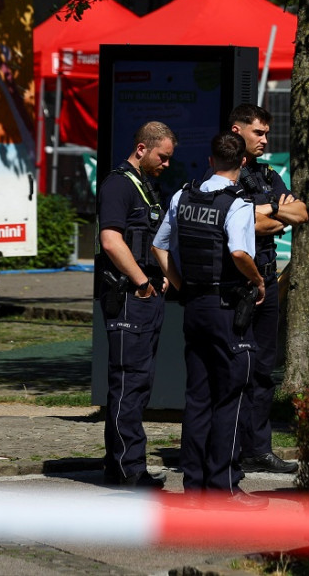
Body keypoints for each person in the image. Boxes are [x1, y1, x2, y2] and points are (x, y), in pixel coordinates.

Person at [152, 132, 267, 509]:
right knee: (231, 397)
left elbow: (159, 245)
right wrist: (257, 279)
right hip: (226, 308)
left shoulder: (182, 195)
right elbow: (238, 251)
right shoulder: (237, 203)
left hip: (196, 307)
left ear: (210, 159)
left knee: (197, 398)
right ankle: (225, 487)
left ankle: (195, 485)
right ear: (243, 163)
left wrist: (184, 287)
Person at [94, 120, 176, 488]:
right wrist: (142, 282)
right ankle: (129, 470)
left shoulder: (146, 186)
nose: (167, 164)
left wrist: (157, 278)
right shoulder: (118, 184)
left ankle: (120, 465)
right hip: (128, 297)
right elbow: (111, 240)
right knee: (128, 383)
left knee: (138, 384)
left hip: (143, 297)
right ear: (142, 149)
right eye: (163, 156)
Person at [227, 103, 307, 475]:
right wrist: (275, 214)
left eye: (266, 132)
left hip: (268, 279)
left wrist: (266, 211)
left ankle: (258, 448)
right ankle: (229, 446)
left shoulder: (268, 175)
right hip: (236, 282)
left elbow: (302, 213)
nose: (265, 139)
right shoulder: (228, 173)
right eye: (258, 132)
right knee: (233, 368)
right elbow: (239, 225)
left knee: (262, 370)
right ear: (237, 130)